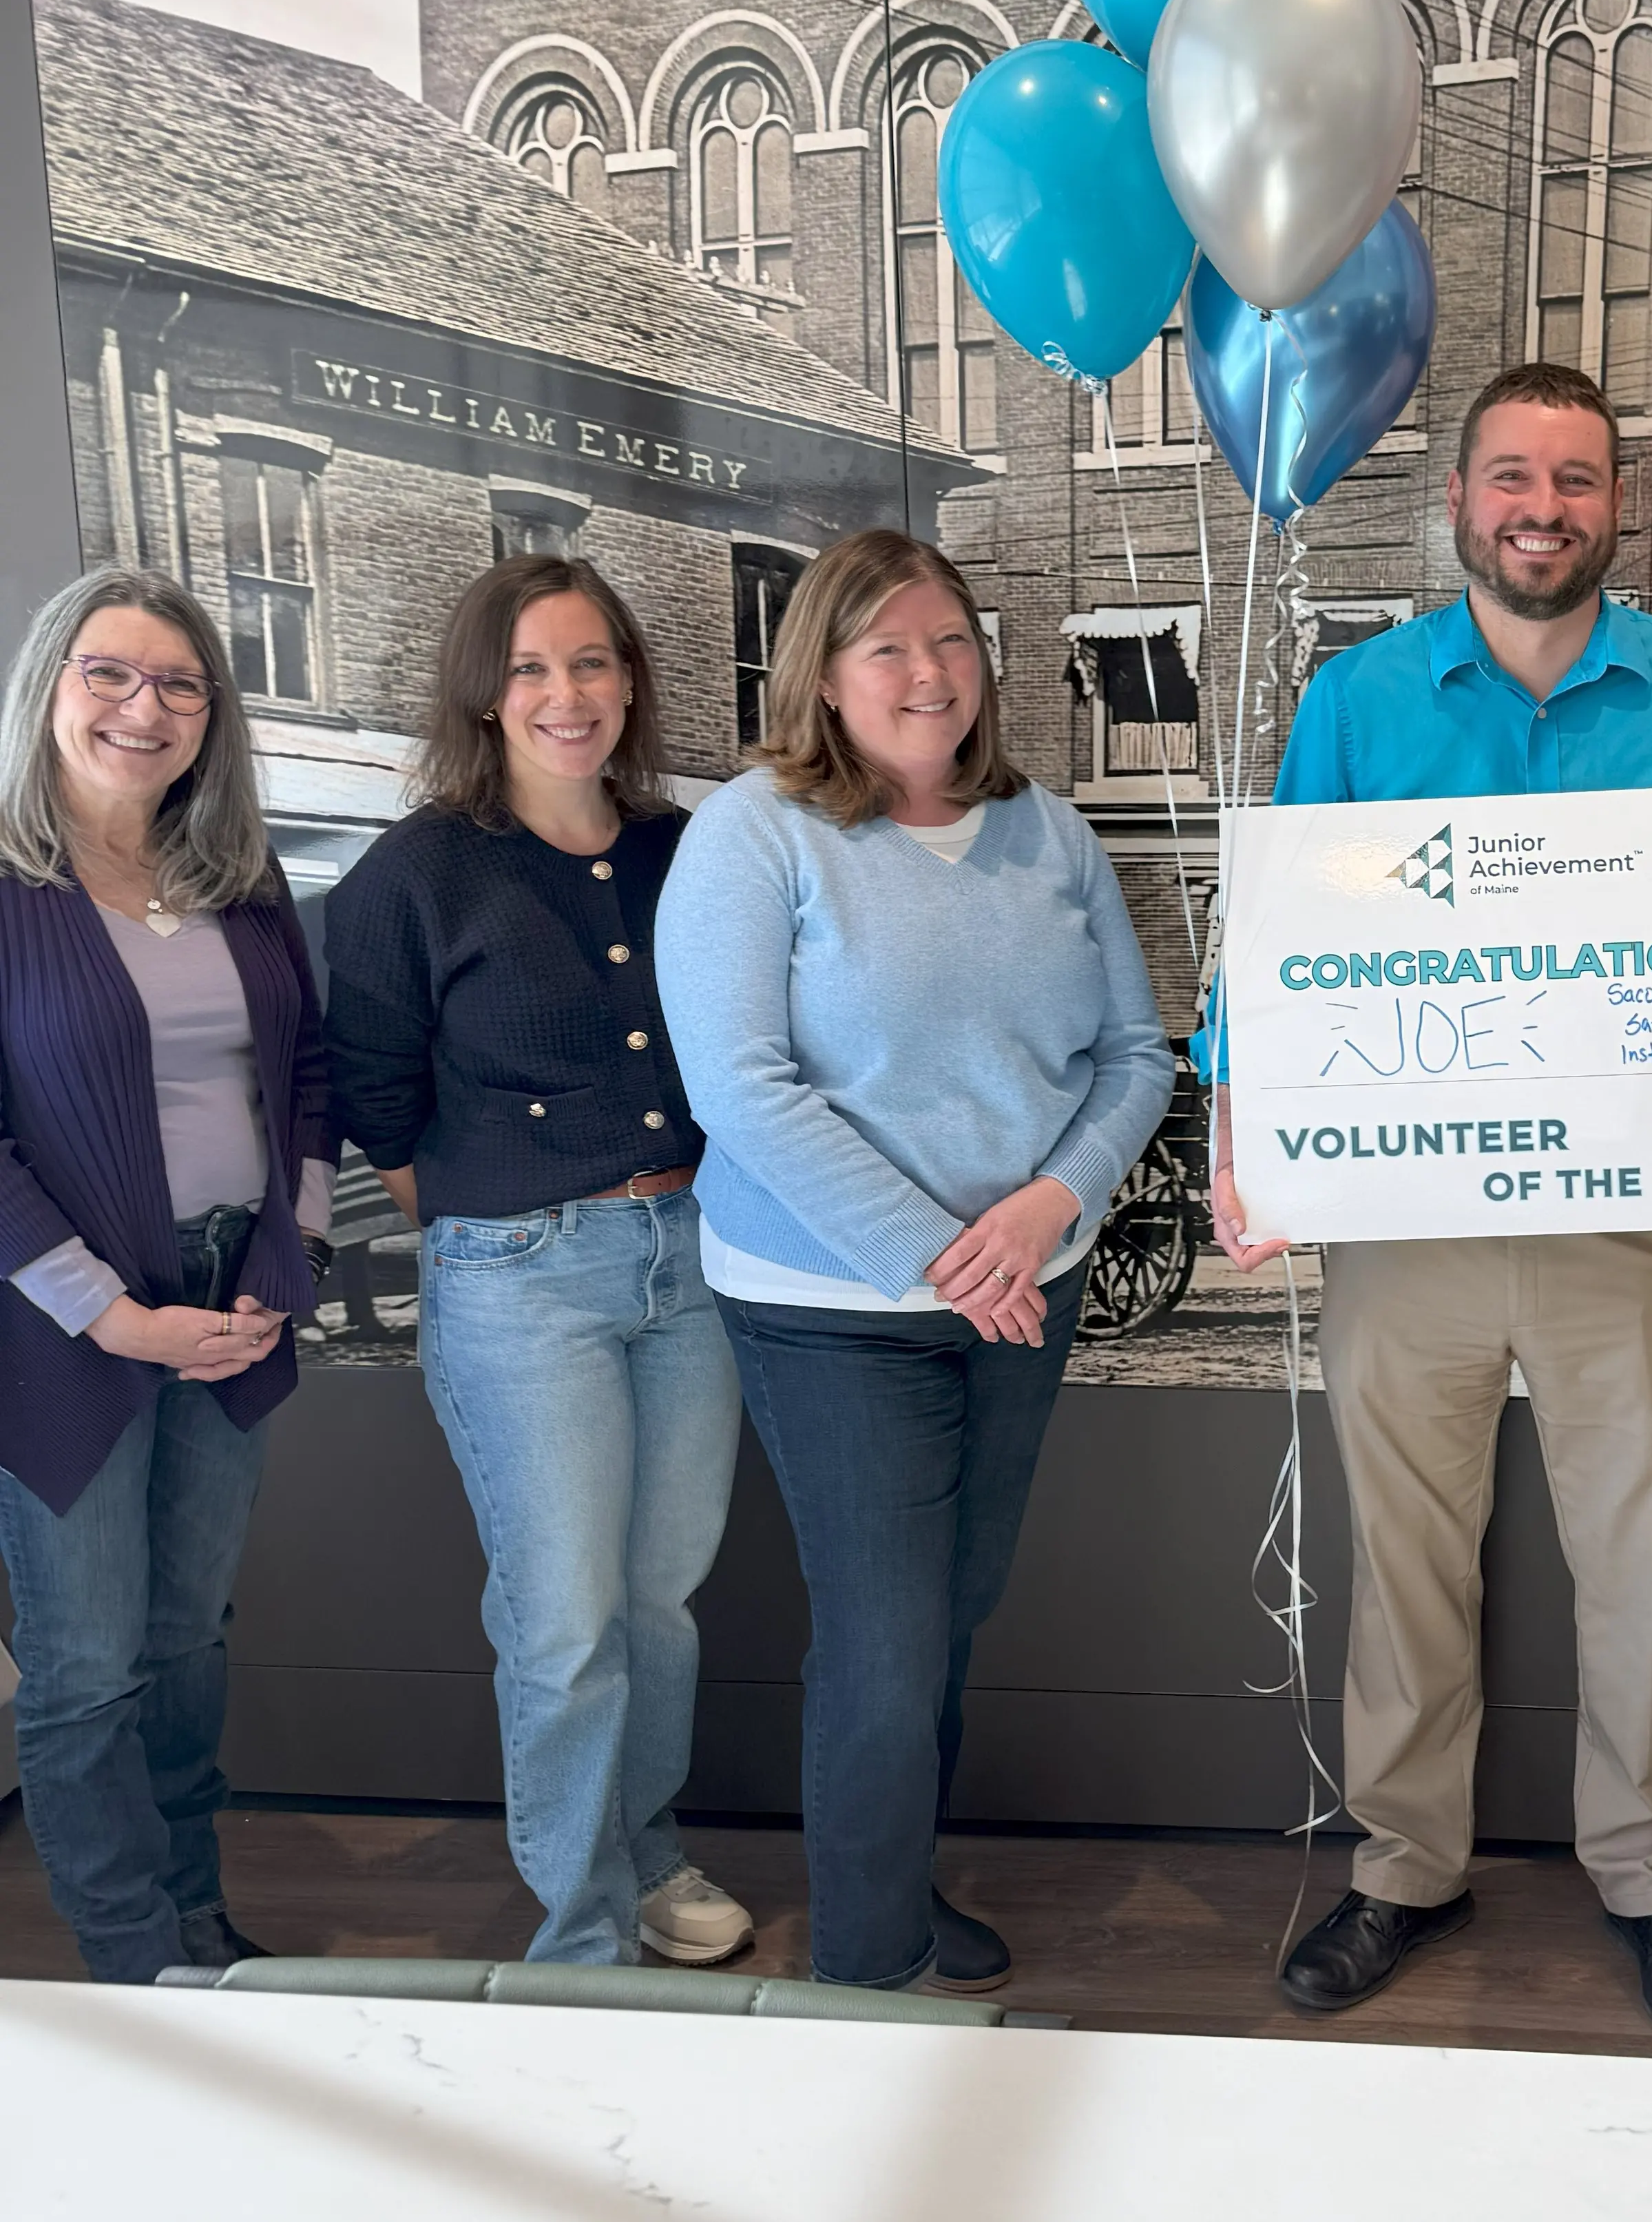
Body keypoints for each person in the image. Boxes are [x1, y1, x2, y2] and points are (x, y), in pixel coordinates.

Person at [1212, 360, 1652, 2047]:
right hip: (1401, 1213)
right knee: (1404, 1554)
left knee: (1643, 1553)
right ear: (1459, 501)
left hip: (1619, 1208)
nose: (1540, 510)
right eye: (1512, 479)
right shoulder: (1360, 699)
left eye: (1573, 481)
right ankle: (1404, 1862)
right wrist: (1239, 1122)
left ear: (1614, 505)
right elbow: (1276, 943)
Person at [658, 528, 1171, 1995]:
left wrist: (1046, 1211)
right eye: (886, 644)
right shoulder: (754, 833)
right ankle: (865, 1978)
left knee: (948, 1617)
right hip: (832, 1308)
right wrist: (948, 1254)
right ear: (822, 672)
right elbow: (743, 1090)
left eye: (949, 640)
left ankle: (894, 1881)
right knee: (885, 1645)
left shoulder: (1048, 832)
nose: (927, 671)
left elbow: (1136, 1053)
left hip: (1022, 1293)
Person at [323, 556, 752, 1969]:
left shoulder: (686, 848)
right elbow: (376, 1097)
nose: (564, 695)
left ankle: (647, 1856)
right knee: (564, 1621)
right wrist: (494, 1217)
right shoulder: (417, 874)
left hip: (691, 1261)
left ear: (630, 680)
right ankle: (579, 1933)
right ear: (483, 694)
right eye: (529, 669)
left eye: (590, 662)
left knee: (657, 1605)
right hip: (521, 1281)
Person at [0, 567, 331, 1982]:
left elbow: (308, 1075)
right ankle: (135, 1958)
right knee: (83, 1664)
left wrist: (287, 1255)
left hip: (231, 1303)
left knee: (188, 1638)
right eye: (110, 675)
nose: (147, 707)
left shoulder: (235, 882)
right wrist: (116, 1314)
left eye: (181, 683)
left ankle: (198, 1920)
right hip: (65, 1327)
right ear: (47, 691)